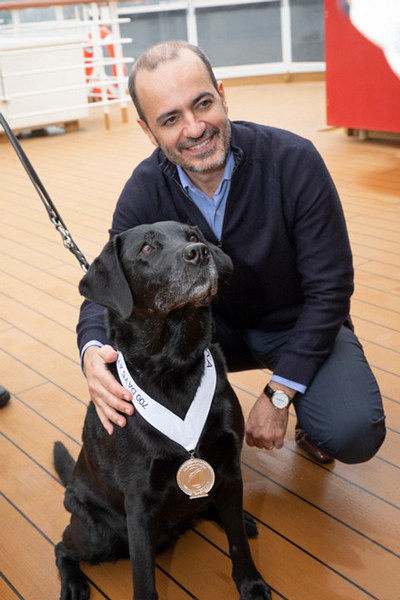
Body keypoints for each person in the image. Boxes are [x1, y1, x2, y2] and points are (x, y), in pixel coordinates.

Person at [77, 40, 386, 464]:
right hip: (204, 331)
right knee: (123, 353)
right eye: (170, 119)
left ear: (222, 94)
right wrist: (92, 349)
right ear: (148, 130)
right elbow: (110, 282)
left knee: (352, 432)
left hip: (294, 323)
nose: (194, 127)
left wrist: (278, 396)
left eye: (202, 103)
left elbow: (330, 290)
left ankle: (310, 407)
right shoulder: (144, 189)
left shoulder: (294, 160)